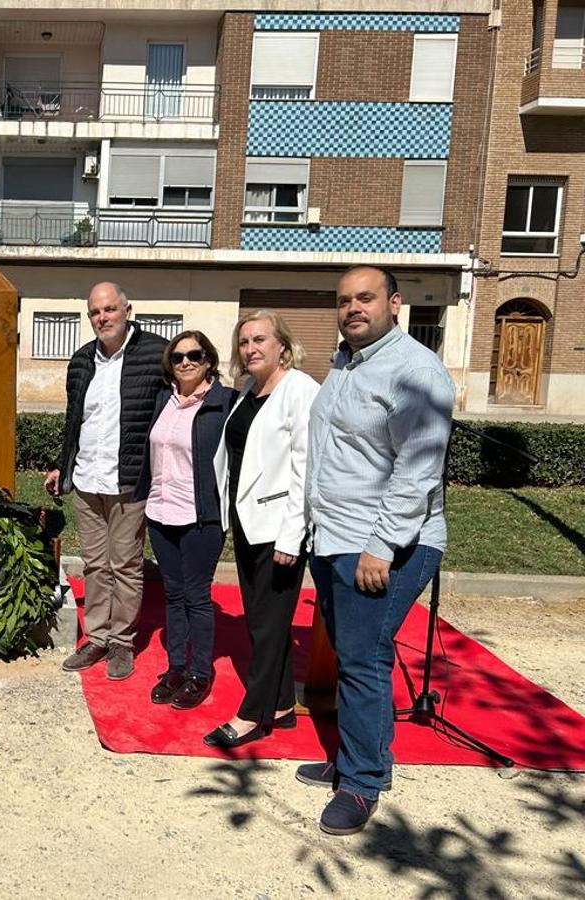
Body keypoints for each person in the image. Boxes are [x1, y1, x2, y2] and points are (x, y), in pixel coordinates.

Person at [296, 266, 454, 836]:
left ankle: (361, 783)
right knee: (355, 655)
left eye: (365, 298)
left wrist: (381, 547)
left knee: (362, 660)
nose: (353, 308)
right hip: (333, 537)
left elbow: (417, 470)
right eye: (343, 300)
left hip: (384, 544)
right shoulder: (345, 361)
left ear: (394, 302)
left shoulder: (416, 371)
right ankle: (360, 758)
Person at [206, 310, 319, 748]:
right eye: (244, 341)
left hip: (280, 529)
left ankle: (251, 713)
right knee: (260, 619)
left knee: (270, 624)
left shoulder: (300, 390)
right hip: (248, 522)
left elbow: (306, 469)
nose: (250, 348)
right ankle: (282, 704)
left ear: (282, 346)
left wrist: (293, 537)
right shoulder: (249, 390)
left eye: (259, 340)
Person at [44, 282, 167, 681]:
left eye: (110, 309)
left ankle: (122, 642)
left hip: (130, 481)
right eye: (95, 312)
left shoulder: (155, 353)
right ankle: (96, 637)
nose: (103, 318)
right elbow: (73, 420)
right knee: (96, 565)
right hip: (87, 479)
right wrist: (63, 466)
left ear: (127, 310)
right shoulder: (81, 360)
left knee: (126, 565)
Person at [133, 331, 234, 709]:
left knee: (197, 596)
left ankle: (199, 673)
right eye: (177, 357)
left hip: (201, 517)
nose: (186, 362)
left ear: (208, 359)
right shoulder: (165, 399)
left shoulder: (224, 403)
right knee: (173, 595)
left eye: (195, 355)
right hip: (161, 512)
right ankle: (176, 667)